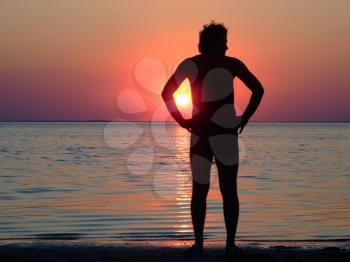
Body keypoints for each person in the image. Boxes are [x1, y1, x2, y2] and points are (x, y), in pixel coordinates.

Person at [161, 21, 264, 256]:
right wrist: (245, 118)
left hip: (199, 133)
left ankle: (199, 244)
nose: (227, 47)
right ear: (215, 43)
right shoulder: (231, 64)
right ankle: (229, 245)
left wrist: (182, 120)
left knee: (200, 189)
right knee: (229, 190)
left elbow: (166, 93)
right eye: (225, 42)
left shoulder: (191, 64)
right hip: (225, 134)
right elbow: (259, 89)